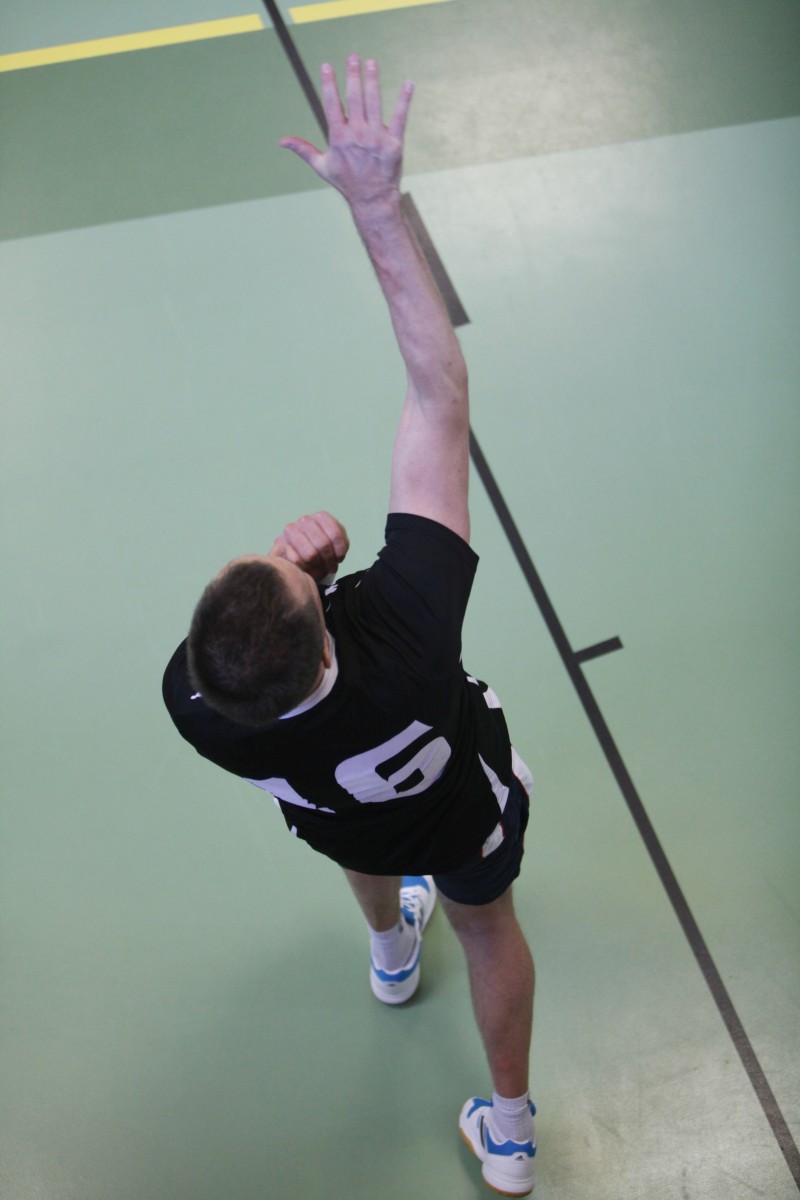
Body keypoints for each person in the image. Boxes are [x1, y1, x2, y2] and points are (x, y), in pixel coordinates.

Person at [162, 55, 537, 1196]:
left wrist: (303, 580)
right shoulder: (407, 626)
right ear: (323, 627)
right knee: (488, 928)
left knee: (358, 848)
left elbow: (267, 645)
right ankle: (511, 1133)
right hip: (456, 808)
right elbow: (438, 396)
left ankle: (387, 953)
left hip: (341, 817)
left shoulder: (200, 706)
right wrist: (375, 207)